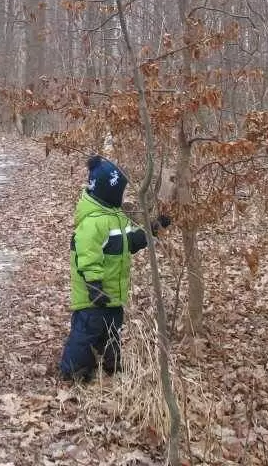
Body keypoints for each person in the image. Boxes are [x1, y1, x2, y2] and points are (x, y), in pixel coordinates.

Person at [58, 155, 169, 382]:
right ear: (107, 190)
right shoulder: (92, 222)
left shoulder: (116, 216)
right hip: (94, 295)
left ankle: (111, 365)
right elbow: (87, 257)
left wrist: (155, 227)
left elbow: (132, 242)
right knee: (86, 333)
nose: (122, 196)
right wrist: (94, 286)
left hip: (113, 293)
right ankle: (73, 370)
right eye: (120, 191)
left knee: (112, 330)